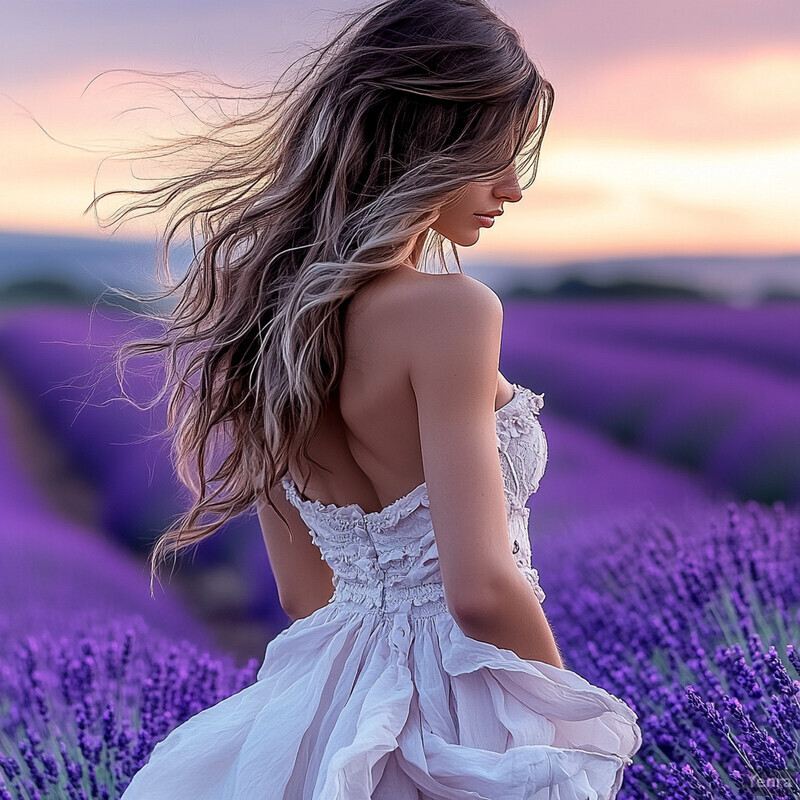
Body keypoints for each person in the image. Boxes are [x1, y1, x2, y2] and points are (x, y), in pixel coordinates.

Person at [104, 0, 642, 796]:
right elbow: (482, 590)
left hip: (327, 695)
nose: (512, 188)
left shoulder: (270, 323)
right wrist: (566, 727)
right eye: (497, 152)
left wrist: (365, 689)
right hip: (469, 707)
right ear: (430, 140)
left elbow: (301, 593)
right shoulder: (453, 311)